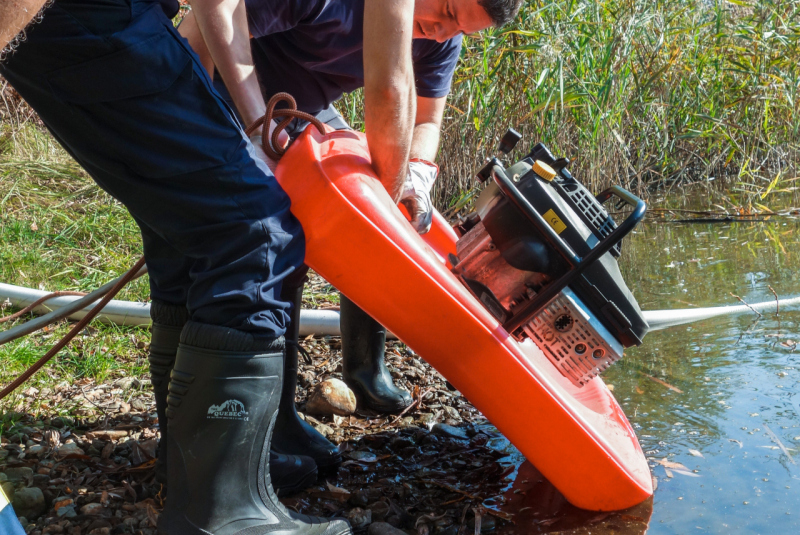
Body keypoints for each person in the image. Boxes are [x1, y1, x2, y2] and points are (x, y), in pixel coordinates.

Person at [0, 0, 354, 533]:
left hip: (78, 26)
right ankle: (224, 511)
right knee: (253, 233)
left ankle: (198, 468)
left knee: (187, 231)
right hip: (86, 19)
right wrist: (255, 123)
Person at [178, 0, 524, 473]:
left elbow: (425, 120)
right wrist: (236, 125)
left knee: (383, 215)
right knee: (277, 233)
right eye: (446, 11)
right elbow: (203, 25)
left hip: (308, 107)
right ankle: (271, 413)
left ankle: (364, 371)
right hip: (236, 91)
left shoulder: (442, 37)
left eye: (460, 30)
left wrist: (416, 175)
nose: (442, 33)